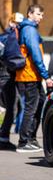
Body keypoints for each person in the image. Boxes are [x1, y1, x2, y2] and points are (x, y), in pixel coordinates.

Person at [15, 4, 53, 153]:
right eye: (38, 14)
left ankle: (31, 138)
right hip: (29, 75)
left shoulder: (28, 29)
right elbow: (36, 55)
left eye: (42, 15)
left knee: (39, 105)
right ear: (30, 14)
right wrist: (46, 76)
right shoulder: (29, 30)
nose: (41, 18)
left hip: (32, 75)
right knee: (31, 108)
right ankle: (23, 141)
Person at [0, 13, 24, 151]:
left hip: (4, 76)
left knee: (10, 107)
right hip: (7, 76)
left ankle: (3, 136)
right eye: (16, 23)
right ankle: (3, 138)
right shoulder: (10, 38)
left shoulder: (5, 37)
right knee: (11, 108)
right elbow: (11, 60)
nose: (17, 26)